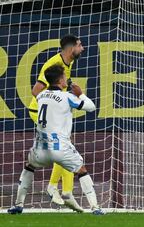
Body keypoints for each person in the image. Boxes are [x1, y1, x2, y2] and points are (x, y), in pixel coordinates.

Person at [8, 65, 104, 215]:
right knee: (81, 170)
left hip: (40, 148)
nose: (66, 78)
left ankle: (18, 204)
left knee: (29, 167)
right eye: (64, 76)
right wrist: (81, 94)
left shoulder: (40, 96)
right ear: (60, 80)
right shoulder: (68, 97)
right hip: (60, 148)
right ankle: (96, 208)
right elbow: (91, 107)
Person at [28, 34, 84, 212]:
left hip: (53, 114)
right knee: (64, 149)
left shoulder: (69, 61)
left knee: (63, 149)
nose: (82, 48)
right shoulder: (54, 64)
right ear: (71, 49)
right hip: (40, 112)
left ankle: (56, 188)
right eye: (79, 45)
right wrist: (54, 106)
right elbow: (36, 90)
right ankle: (64, 191)